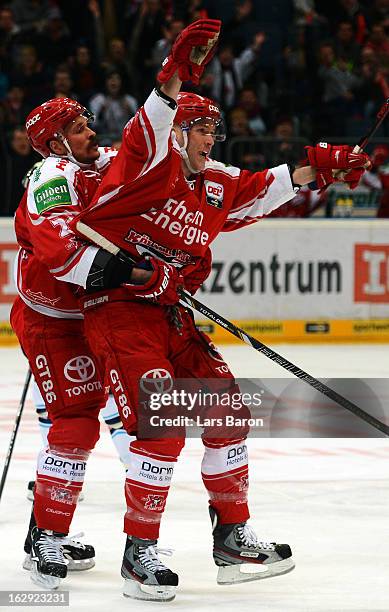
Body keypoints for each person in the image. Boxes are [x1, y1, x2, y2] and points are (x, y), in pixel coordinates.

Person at [69, 19, 370, 602]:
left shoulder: (214, 183)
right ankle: (139, 553)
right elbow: (150, 125)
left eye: (214, 130)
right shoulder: (138, 167)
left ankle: (232, 538)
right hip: (122, 312)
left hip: (171, 316)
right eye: (201, 129)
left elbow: (263, 185)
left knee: (228, 409)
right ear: (177, 133)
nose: (212, 140)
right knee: (162, 427)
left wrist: (323, 167)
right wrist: (175, 76)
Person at [10, 97, 138, 589]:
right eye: (80, 127)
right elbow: (63, 250)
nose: (91, 133)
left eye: (88, 124)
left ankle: (40, 531)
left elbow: (141, 158)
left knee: (86, 418)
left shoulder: (92, 161)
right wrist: (137, 272)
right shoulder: (50, 179)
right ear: (57, 141)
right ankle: (45, 534)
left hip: (87, 313)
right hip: (50, 319)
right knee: (74, 424)